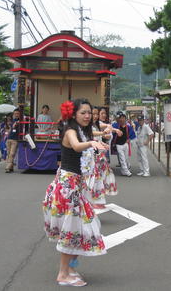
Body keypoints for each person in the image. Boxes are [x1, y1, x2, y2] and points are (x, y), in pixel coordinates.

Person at [43, 99, 107, 287]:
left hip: (74, 186)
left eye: (89, 112)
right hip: (67, 188)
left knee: (81, 229)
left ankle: (70, 268)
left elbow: (89, 136)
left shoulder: (81, 130)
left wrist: (99, 135)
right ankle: (63, 273)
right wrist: (92, 144)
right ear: (73, 114)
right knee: (73, 230)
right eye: (83, 113)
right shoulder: (71, 131)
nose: (88, 116)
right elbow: (77, 145)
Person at [112, 111, 135, 177]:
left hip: (125, 145)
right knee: (122, 158)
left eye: (123, 118)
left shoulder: (128, 126)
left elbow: (132, 135)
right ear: (118, 119)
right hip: (118, 145)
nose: (121, 119)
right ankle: (127, 171)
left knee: (126, 158)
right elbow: (111, 131)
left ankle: (123, 171)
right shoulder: (115, 125)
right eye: (120, 118)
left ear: (125, 119)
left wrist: (129, 139)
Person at [5, 109, 20, 173]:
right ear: (13, 114)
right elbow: (9, 129)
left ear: (19, 114)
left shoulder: (21, 121)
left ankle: (7, 167)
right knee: (8, 154)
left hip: (15, 139)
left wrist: (16, 124)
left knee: (12, 153)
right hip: (9, 138)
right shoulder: (11, 121)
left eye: (17, 113)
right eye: (15, 113)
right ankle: (11, 167)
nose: (16, 115)